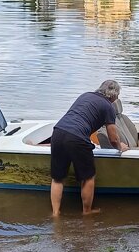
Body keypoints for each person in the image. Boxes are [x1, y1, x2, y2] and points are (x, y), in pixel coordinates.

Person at [50, 80, 130, 216]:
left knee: (57, 178)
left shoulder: (85, 95)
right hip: (77, 138)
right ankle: (87, 211)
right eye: (118, 95)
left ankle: (55, 213)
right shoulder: (108, 107)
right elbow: (113, 138)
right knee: (88, 177)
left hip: (58, 132)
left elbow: (80, 116)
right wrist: (120, 146)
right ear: (114, 96)